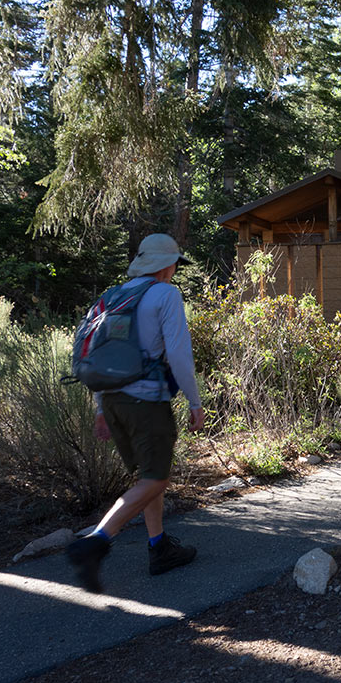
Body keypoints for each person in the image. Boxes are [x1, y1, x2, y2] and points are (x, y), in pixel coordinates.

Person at [66, 234, 206, 593]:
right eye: (175, 264)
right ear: (166, 265)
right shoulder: (166, 295)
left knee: (147, 476)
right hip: (146, 402)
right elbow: (178, 355)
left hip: (113, 400)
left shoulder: (113, 296)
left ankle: (159, 547)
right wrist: (194, 401)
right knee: (157, 479)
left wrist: (101, 408)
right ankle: (97, 540)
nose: (175, 271)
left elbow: (100, 353)